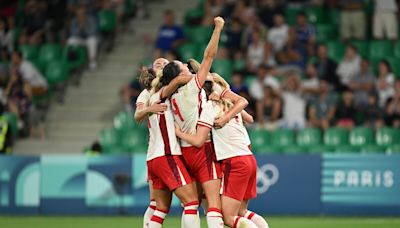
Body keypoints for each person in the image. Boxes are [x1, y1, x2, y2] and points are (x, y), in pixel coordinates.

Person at [174, 80, 268, 228]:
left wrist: (179, 133)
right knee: (242, 212)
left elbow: (199, 140)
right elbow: (250, 118)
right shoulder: (230, 105)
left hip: (235, 161)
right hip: (248, 157)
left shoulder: (210, 108)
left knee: (228, 217)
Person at [161, 17, 227, 227]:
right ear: (180, 75)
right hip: (202, 151)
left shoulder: (170, 96)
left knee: (192, 205)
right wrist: (218, 28)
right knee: (214, 206)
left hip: (184, 152)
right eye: (184, 68)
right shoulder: (191, 88)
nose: (189, 69)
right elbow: (209, 55)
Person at [134, 58, 170, 228]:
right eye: (157, 64)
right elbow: (137, 116)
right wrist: (149, 109)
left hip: (181, 149)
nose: (161, 65)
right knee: (156, 203)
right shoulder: (147, 93)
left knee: (191, 202)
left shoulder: (179, 89)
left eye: (165, 64)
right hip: (159, 152)